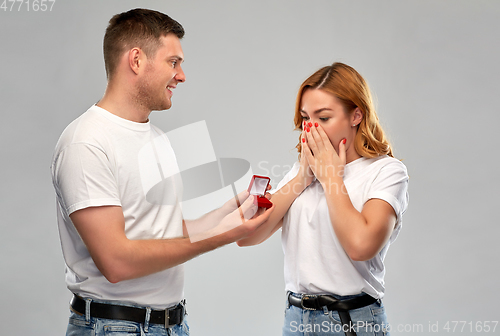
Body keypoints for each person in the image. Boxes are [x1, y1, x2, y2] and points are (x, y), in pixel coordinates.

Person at [50, 8, 273, 336]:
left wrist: (227, 215)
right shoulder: (85, 143)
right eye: (173, 62)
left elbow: (160, 230)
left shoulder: (158, 139)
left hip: (172, 325)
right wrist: (222, 237)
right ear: (137, 60)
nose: (182, 75)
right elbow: (117, 262)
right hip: (113, 328)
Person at [238, 62, 409, 336]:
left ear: (356, 115)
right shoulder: (301, 170)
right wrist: (302, 178)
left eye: (324, 118)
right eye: (306, 118)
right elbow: (247, 236)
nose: (311, 130)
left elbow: (361, 246)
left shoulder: (386, 172)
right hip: (296, 318)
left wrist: (331, 178)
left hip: (351, 321)